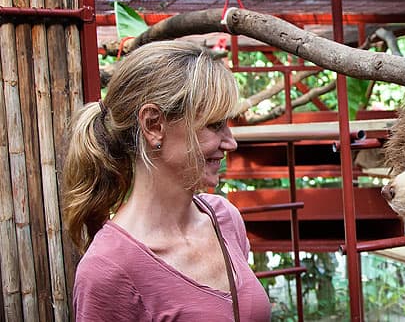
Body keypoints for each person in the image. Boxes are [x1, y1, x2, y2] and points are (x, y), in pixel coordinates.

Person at [63, 41, 270, 321]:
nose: (231, 143)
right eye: (214, 125)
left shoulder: (223, 218)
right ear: (153, 125)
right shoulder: (109, 269)